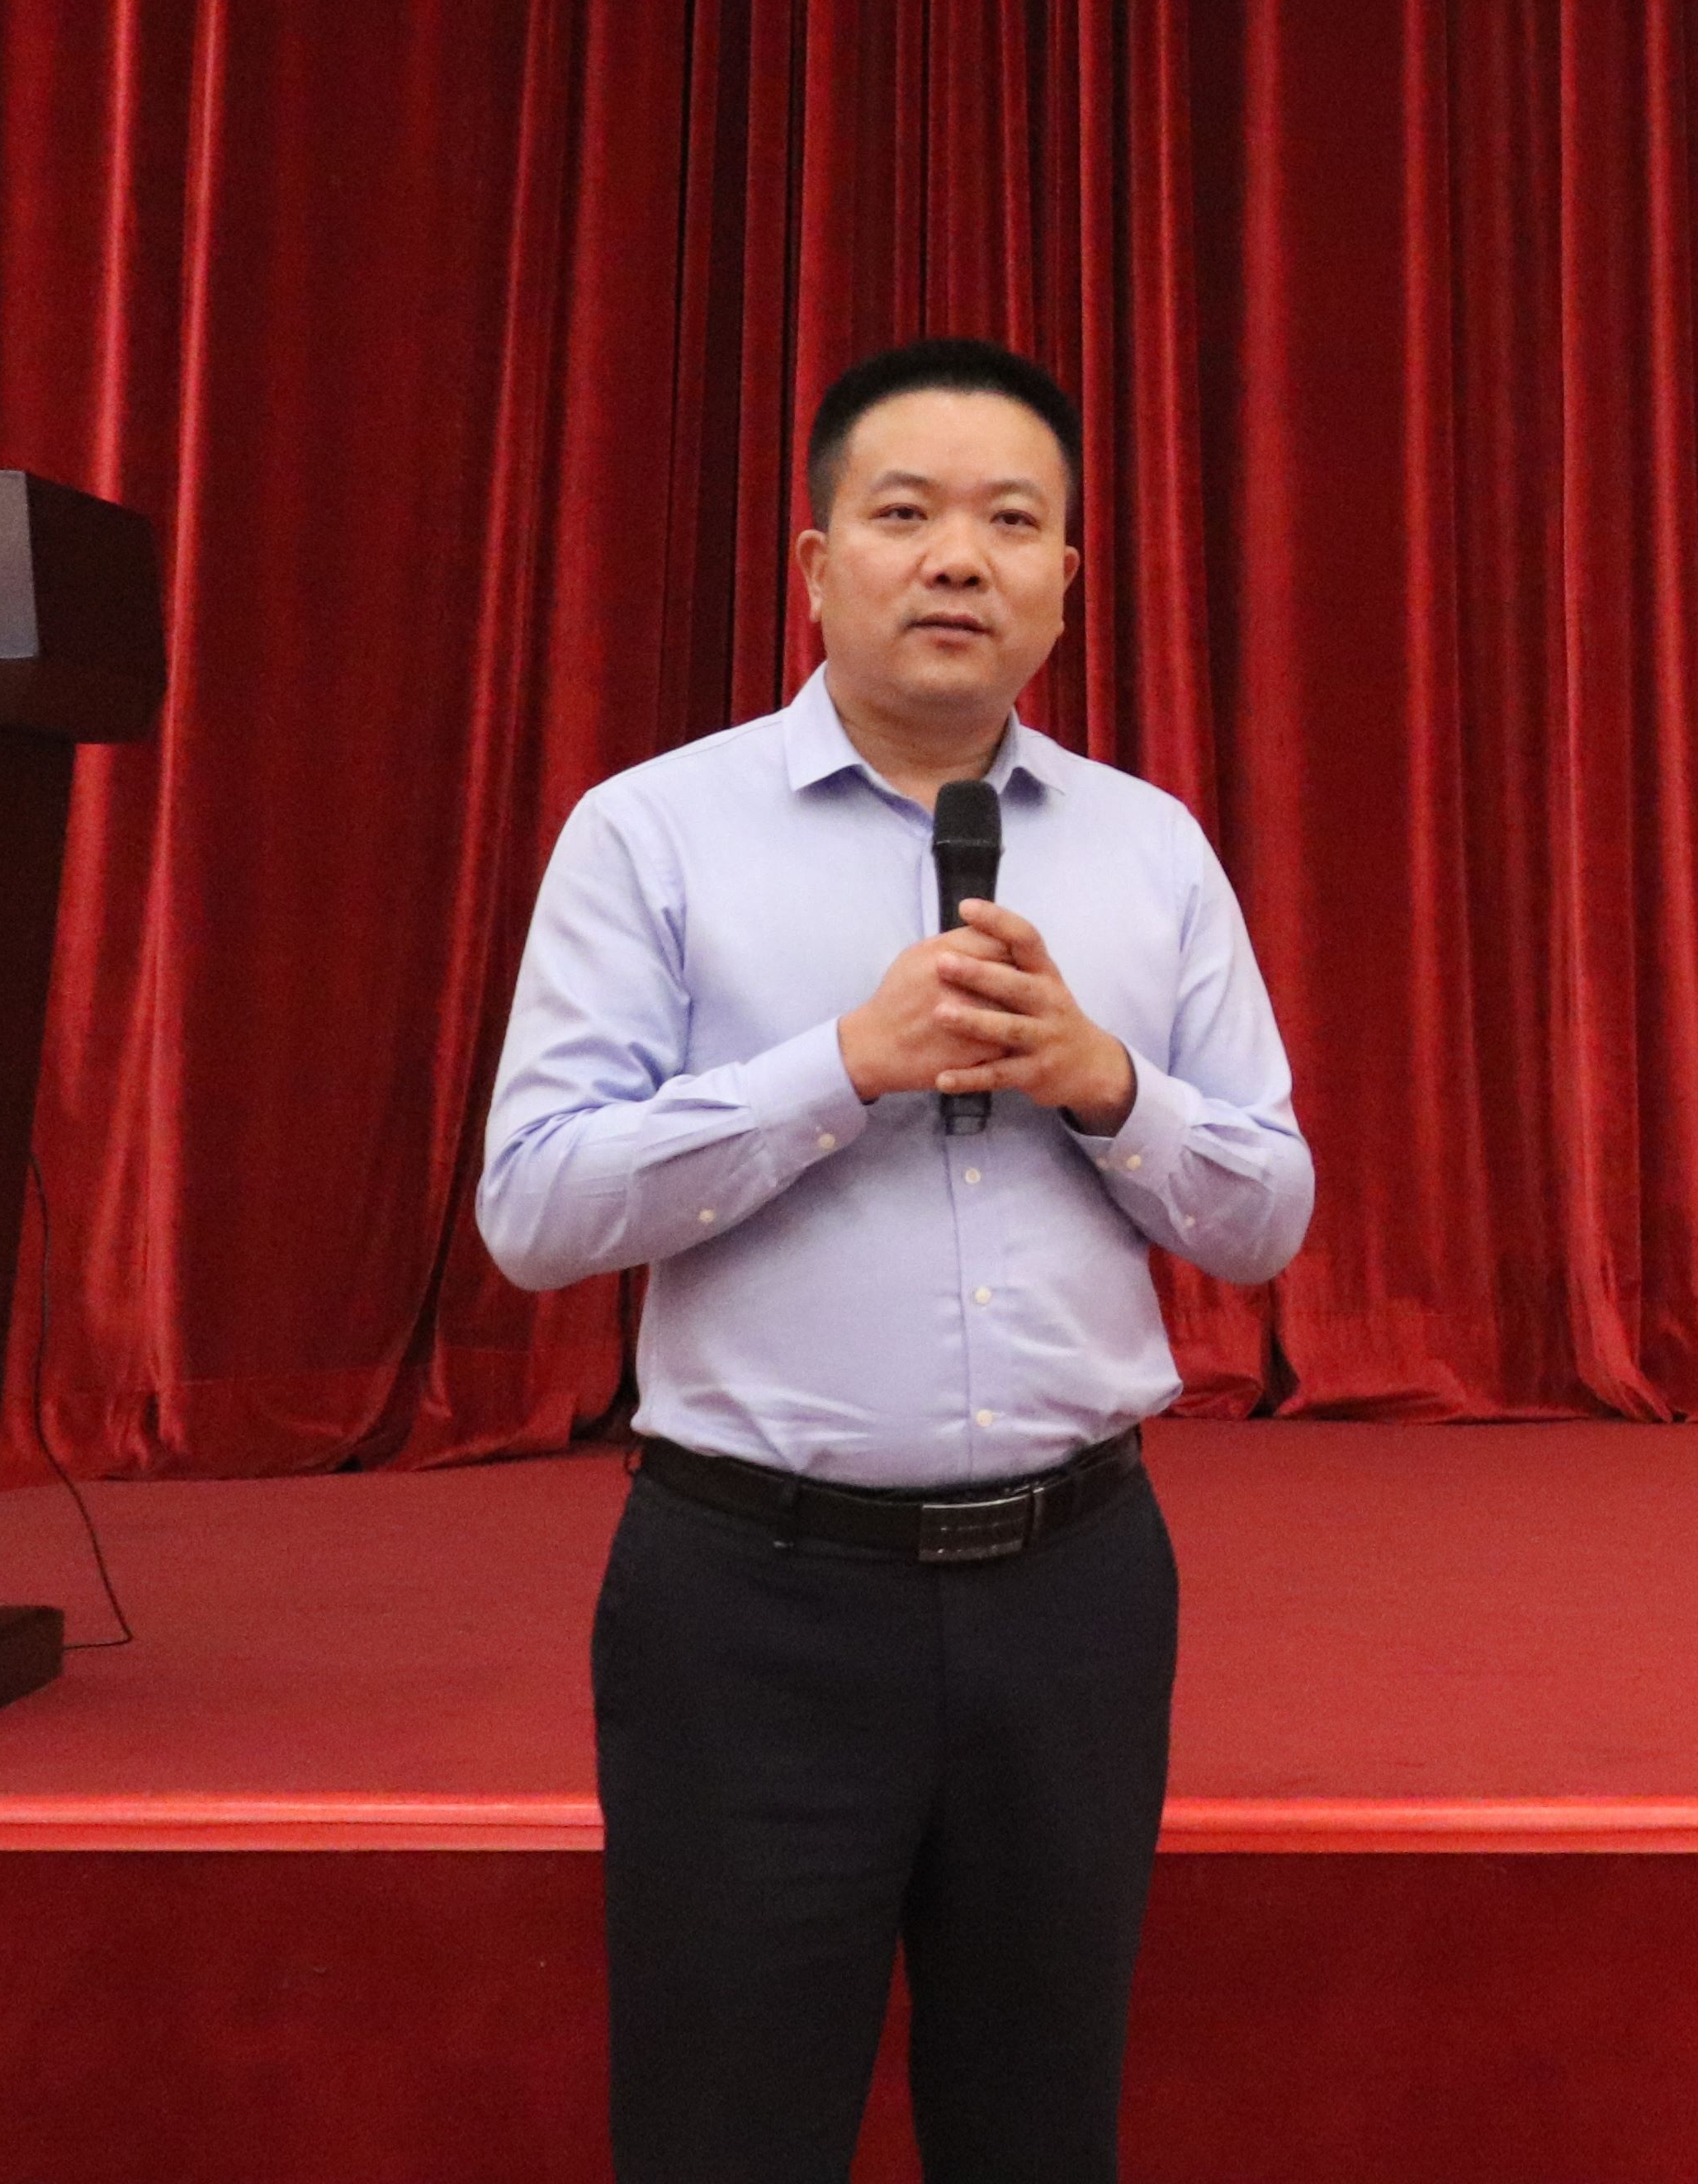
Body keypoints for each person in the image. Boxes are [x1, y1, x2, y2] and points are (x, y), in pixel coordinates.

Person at [479, 338, 1314, 2184]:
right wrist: (840, 1066)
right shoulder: (654, 832)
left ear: (1066, 582)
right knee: (727, 2127)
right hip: (755, 1602)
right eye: (907, 513)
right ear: (815, 562)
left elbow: (1265, 1210)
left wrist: (1104, 1082)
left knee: (1039, 2125)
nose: (958, 559)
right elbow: (536, 1207)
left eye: (1012, 522)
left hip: (1076, 1593)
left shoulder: (1151, 847)